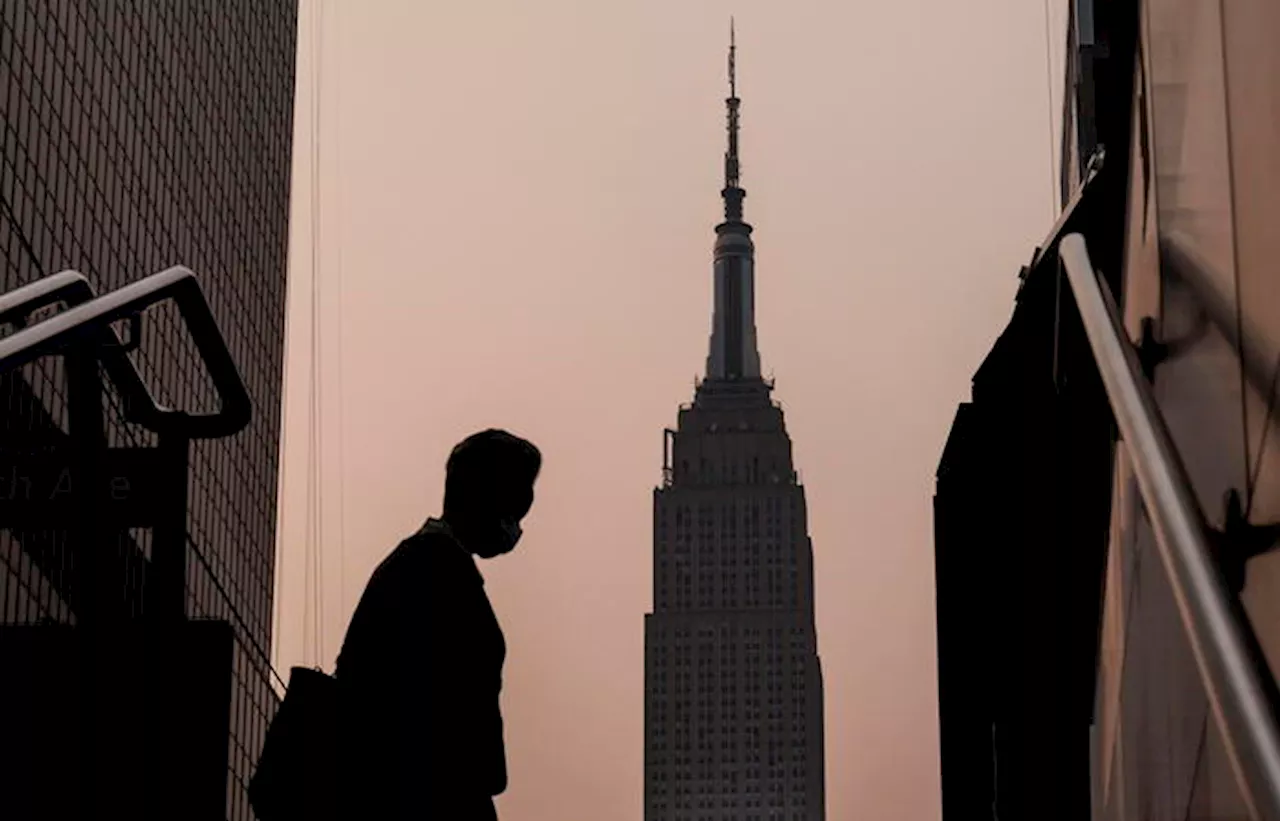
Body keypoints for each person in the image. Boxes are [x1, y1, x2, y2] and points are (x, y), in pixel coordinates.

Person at [335, 429, 541, 820]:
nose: (516, 525)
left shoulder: (424, 566)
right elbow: (439, 710)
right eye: (514, 509)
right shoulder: (436, 574)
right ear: (486, 497)